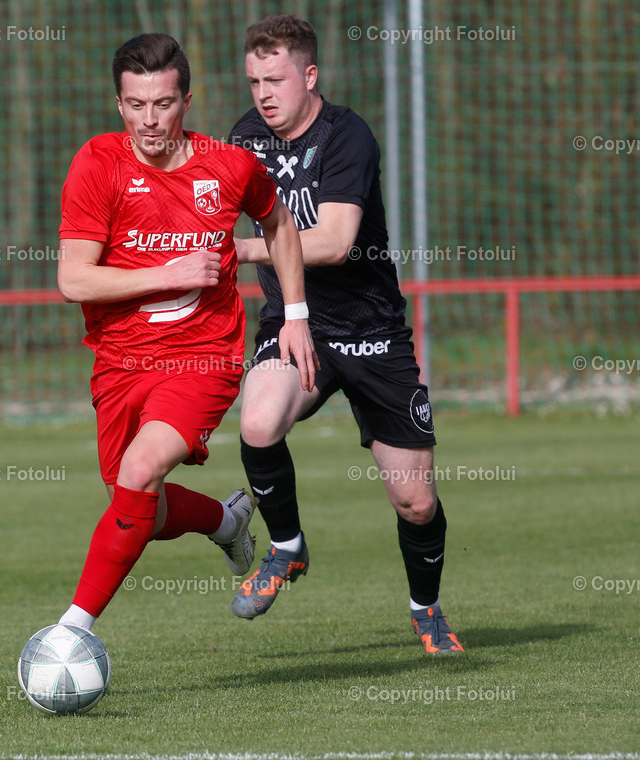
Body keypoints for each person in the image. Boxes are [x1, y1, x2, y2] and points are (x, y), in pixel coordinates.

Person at [55, 32, 317, 632]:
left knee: (140, 471)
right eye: (136, 105)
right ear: (119, 104)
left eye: (163, 103)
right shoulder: (98, 164)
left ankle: (71, 632)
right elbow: (73, 279)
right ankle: (226, 521)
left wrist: (296, 315)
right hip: (120, 360)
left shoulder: (229, 166)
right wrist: (166, 273)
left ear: (187, 101)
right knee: (136, 509)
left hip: (203, 356)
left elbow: (279, 225)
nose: (150, 120)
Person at [228, 15, 463, 654]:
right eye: (254, 82)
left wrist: (241, 249)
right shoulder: (244, 138)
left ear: (309, 76)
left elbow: (333, 242)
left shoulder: (347, 135)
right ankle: (287, 547)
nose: (263, 96)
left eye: (275, 80)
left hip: (371, 331)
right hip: (294, 322)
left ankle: (425, 608)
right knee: (258, 421)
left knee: (415, 502)